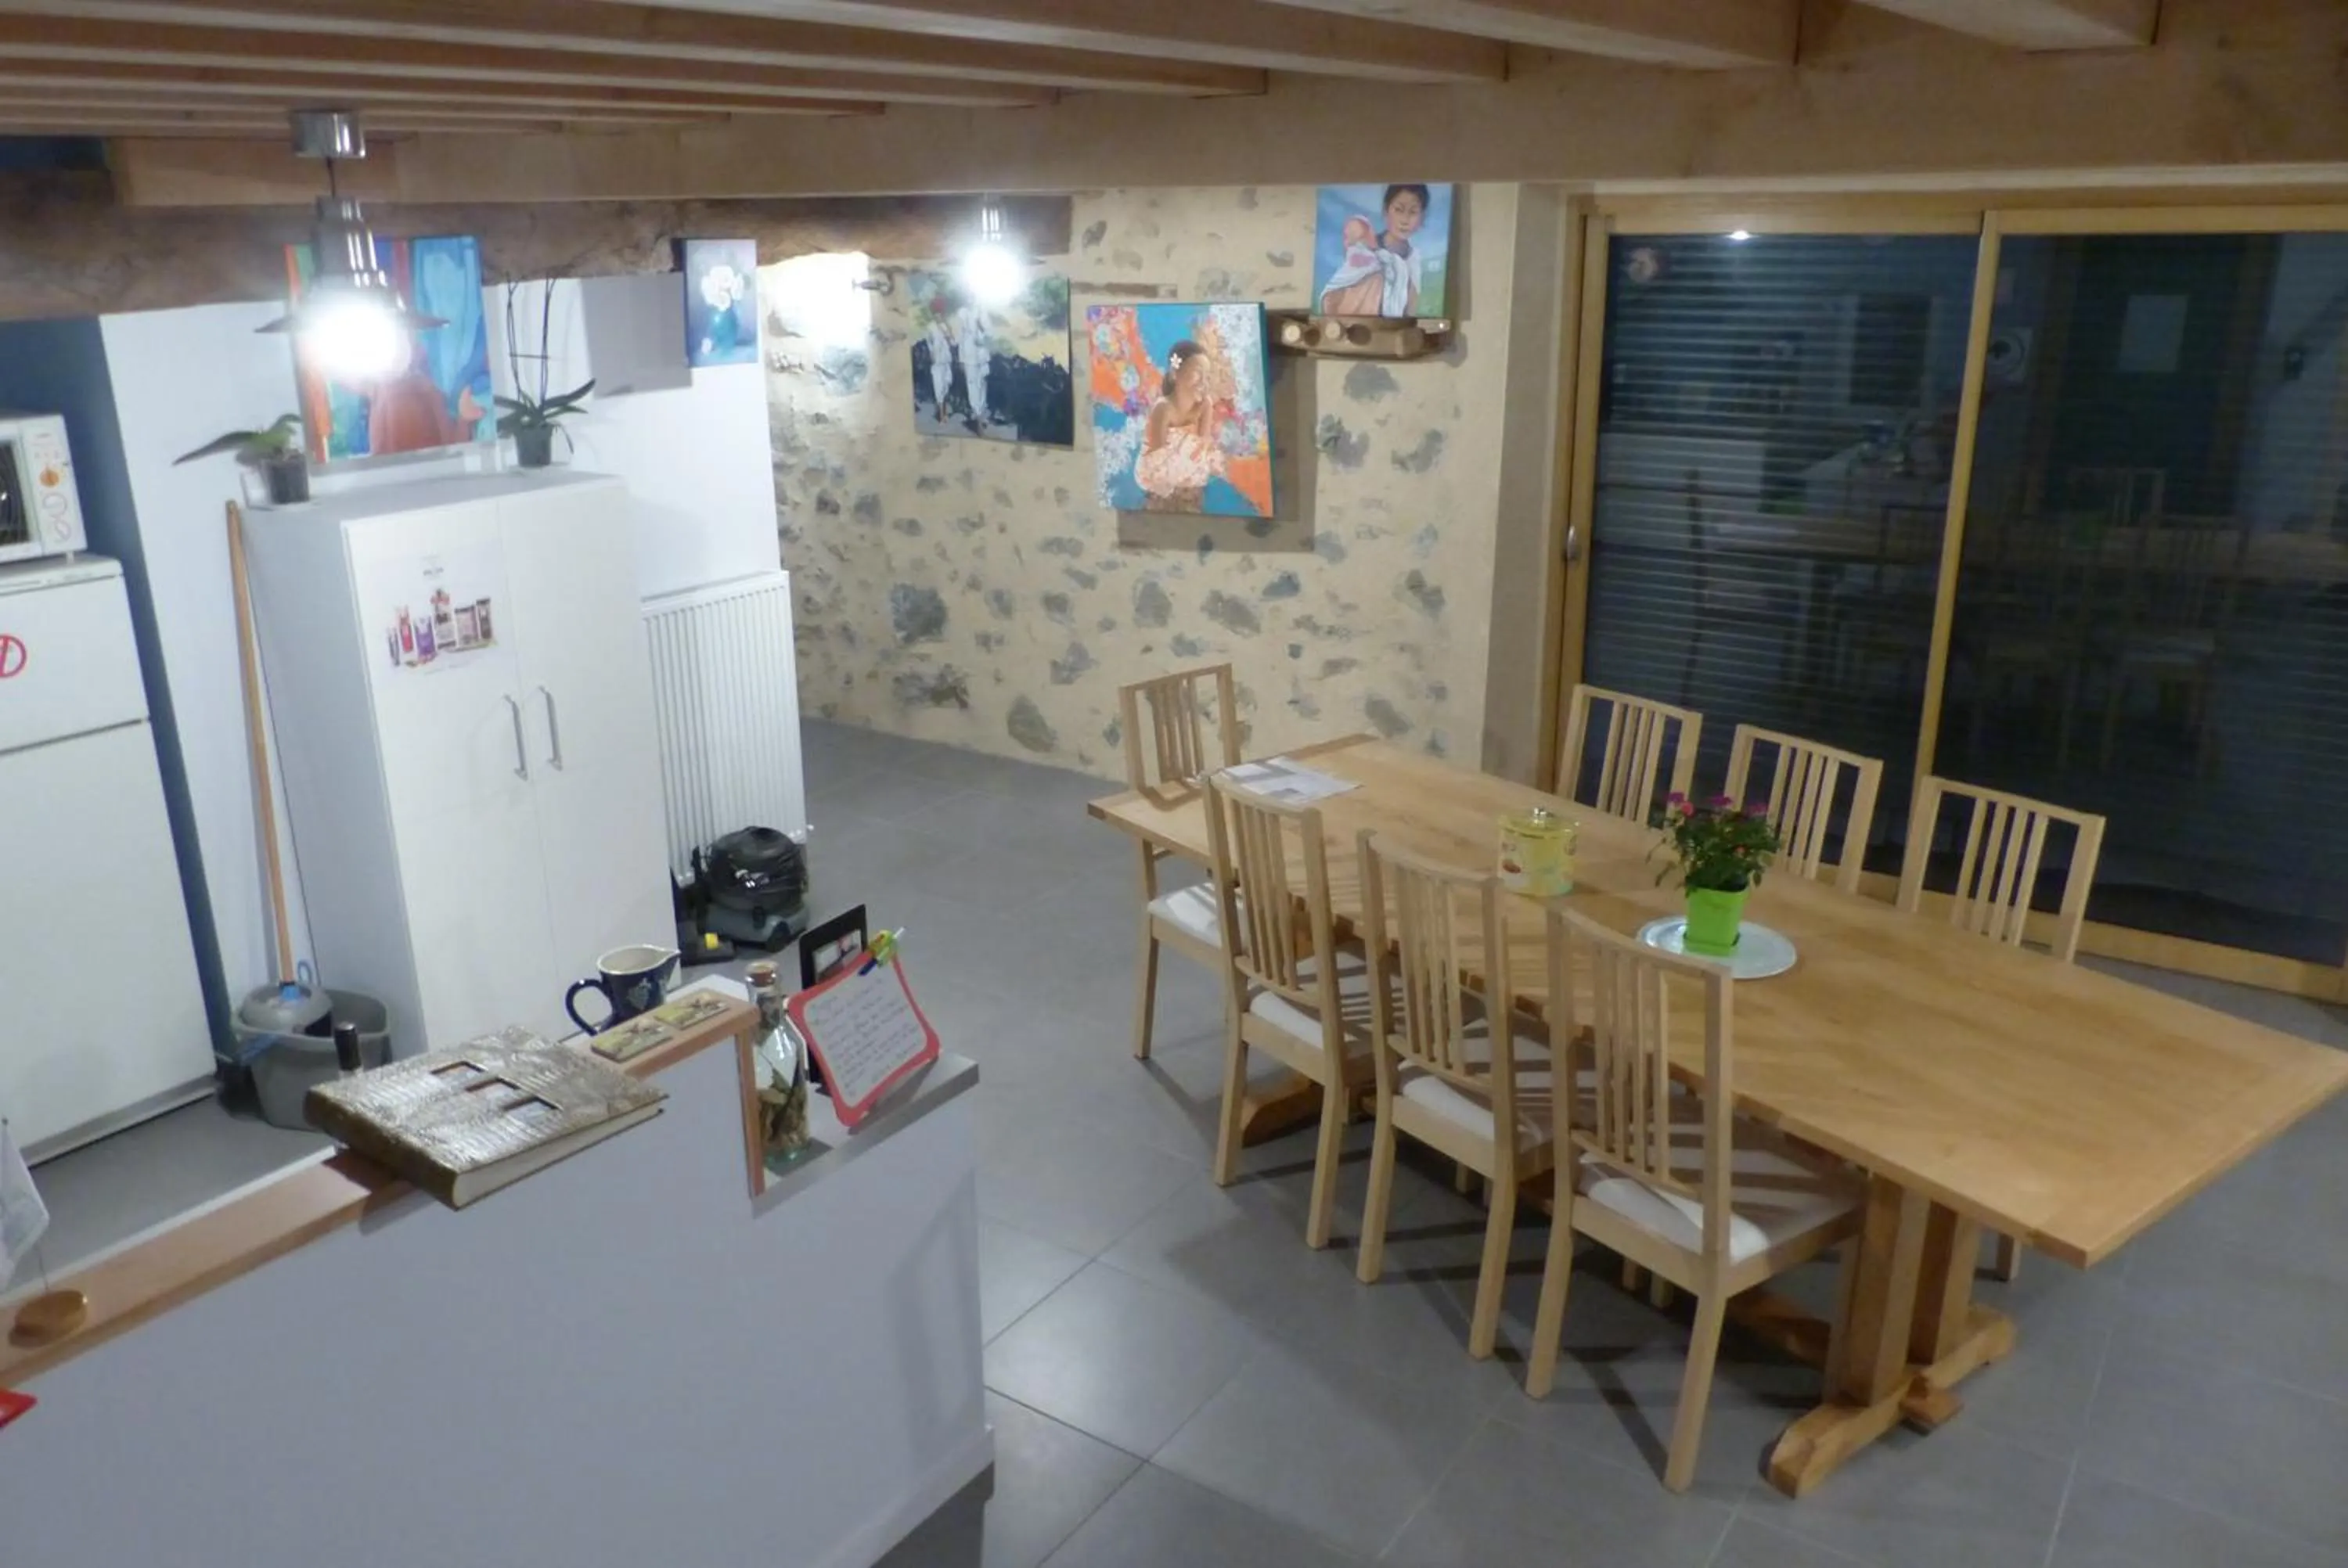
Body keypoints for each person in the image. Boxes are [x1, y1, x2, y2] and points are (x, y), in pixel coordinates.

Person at [1134, 338, 1223, 512]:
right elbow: (1156, 457)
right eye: (1197, 373)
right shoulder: (1163, 408)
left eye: (1207, 375)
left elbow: (1203, 443)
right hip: (1159, 467)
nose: (1203, 381)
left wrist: (1196, 459)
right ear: (1176, 374)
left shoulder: (1205, 404)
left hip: (1189, 463)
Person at [1318, 184, 1430, 318]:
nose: (1405, 220)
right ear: (1386, 211)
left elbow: (1411, 309)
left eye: (1413, 212)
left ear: (1422, 217)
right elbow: (1332, 296)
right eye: (1399, 210)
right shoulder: (1364, 248)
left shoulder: (1413, 260)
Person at [954, 301, 993, 434]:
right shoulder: (962, 313)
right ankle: (977, 418)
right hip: (968, 356)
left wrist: (980, 325)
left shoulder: (982, 310)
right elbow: (960, 337)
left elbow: (990, 332)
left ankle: (981, 415)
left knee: (982, 385)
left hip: (982, 356)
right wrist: (961, 359)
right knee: (973, 387)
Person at [923, 304, 954, 425]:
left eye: (940, 314)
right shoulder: (930, 327)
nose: (938, 316)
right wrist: (932, 353)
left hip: (946, 360)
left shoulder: (945, 326)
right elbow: (929, 342)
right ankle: (941, 416)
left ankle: (945, 412)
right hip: (937, 362)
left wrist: (947, 333)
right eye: (936, 314)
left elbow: (952, 342)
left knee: (946, 385)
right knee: (938, 387)